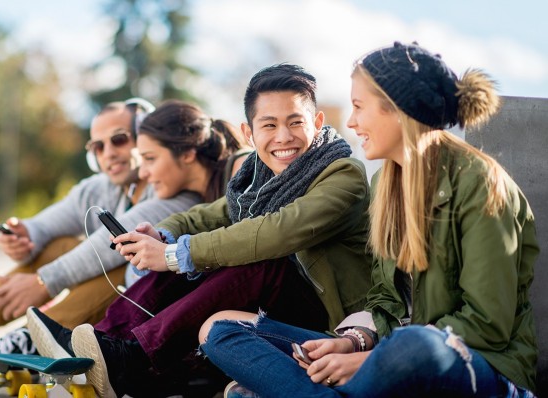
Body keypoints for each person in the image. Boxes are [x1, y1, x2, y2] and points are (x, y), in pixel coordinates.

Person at [199, 42, 540, 398]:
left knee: (416, 345)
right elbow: (385, 299)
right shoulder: (386, 183)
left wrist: (369, 359)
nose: (351, 121)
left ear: (398, 110)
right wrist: (352, 342)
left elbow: (487, 324)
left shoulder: (481, 184)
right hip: (389, 353)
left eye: (359, 107)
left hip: (477, 366)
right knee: (224, 329)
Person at [28, 63, 372, 398]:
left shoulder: (343, 174)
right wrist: (162, 234)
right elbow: (207, 215)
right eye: (269, 125)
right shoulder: (258, 176)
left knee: (251, 260)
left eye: (296, 122)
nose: (284, 136)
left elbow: (276, 233)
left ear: (317, 121)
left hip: (331, 323)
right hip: (282, 304)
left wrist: (175, 255)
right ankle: (103, 343)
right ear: (249, 133)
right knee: (189, 252)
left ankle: (132, 359)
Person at [0, 99, 206, 373]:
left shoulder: (176, 191)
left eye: (118, 139)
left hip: (156, 314)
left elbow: (110, 241)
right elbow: (47, 223)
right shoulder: (101, 187)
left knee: (121, 257)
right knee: (58, 244)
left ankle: (29, 341)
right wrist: (24, 235)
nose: (107, 153)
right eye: (97, 146)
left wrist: (44, 282)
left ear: (144, 137)